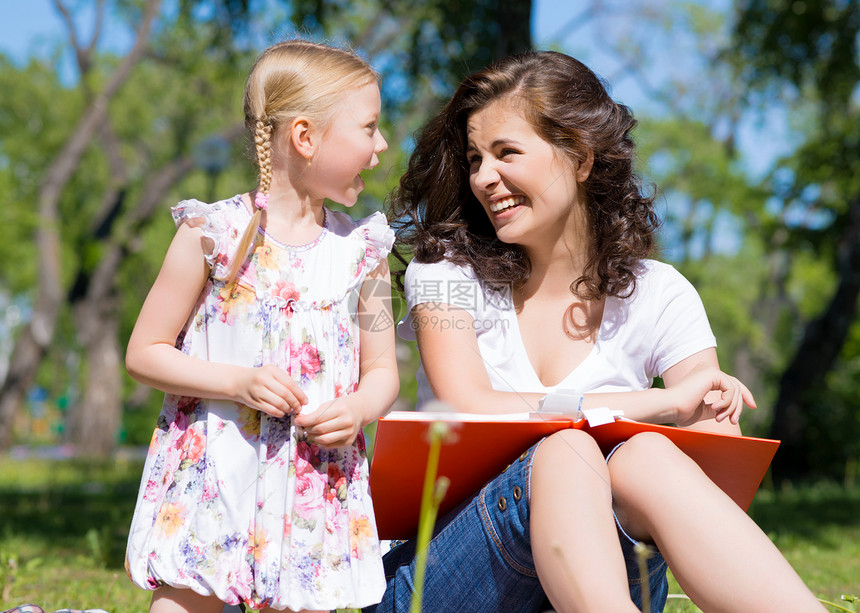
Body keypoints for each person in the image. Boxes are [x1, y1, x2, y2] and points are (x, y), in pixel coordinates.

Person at [366, 51, 825, 613]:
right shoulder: (443, 275)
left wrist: (706, 414)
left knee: (647, 457)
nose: (484, 177)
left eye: (507, 152)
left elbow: (708, 464)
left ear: (580, 158)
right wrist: (657, 403)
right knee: (566, 451)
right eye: (474, 159)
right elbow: (470, 402)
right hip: (441, 583)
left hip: (607, 574)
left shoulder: (661, 291)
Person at [124, 40, 399, 613]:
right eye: (369, 128)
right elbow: (144, 352)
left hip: (312, 479)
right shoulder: (211, 235)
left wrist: (359, 409)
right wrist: (237, 382)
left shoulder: (365, 252)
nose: (381, 147)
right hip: (216, 474)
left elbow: (382, 372)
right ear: (305, 137)